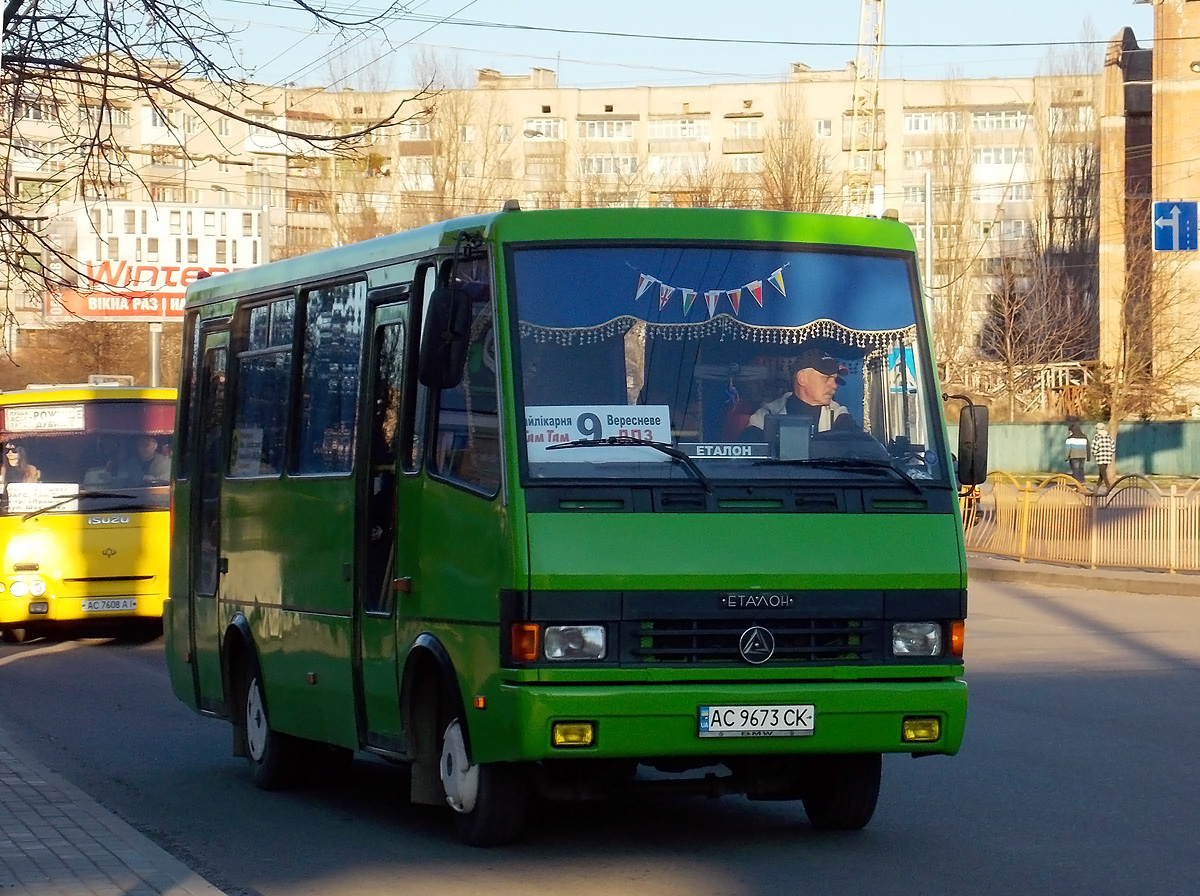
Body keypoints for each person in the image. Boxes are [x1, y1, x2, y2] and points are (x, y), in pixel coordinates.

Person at [741, 347, 856, 440]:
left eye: (835, 379)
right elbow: (745, 458)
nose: (834, 385)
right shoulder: (766, 415)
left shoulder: (838, 415)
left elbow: (860, 449)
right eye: (826, 378)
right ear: (802, 378)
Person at [1090, 422, 1117, 492]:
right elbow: (1113, 448)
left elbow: (1094, 448)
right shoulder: (1109, 437)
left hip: (1100, 457)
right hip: (1107, 458)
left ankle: (1108, 486)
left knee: (1103, 473)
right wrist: (1109, 454)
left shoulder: (1097, 437)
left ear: (1098, 429)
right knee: (1102, 473)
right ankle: (1096, 487)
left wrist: (1095, 454)